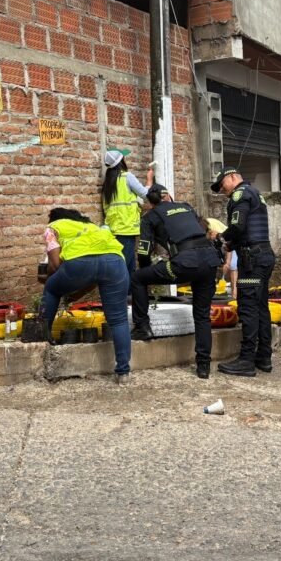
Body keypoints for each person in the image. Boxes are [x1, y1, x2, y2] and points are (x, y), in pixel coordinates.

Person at [131, 184, 223, 379]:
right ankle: (204, 366)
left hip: (184, 264)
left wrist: (148, 270)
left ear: (151, 203)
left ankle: (142, 328)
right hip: (209, 261)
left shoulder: (150, 217)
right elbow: (204, 228)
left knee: (138, 278)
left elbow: (144, 251)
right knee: (202, 315)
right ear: (169, 196)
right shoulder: (187, 207)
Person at [41, 207, 133, 385]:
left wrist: (48, 276)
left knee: (51, 289)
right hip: (115, 262)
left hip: (80, 262)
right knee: (119, 319)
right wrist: (76, 294)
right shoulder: (92, 227)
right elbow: (96, 275)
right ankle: (123, 373)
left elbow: (55, 264)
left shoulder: (53, 227)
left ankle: (43, 336)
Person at [211, 167, 276, 378]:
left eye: (223, 185)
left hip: (252, 261)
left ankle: (247, 360)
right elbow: (245, 230)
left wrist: (220, 239)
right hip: (263, 255)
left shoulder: (240, 194)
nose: (222, 191)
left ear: (232, 177)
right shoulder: (255, 193)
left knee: (248, 308)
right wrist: (230, 246)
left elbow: (237, 227)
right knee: (261, 307)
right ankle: (263, 357)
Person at [101, 148, 154, 277]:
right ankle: (124, 294)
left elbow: (129, 200)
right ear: (121, 161)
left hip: (113, 228)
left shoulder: (108, 182)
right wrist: (149, 181)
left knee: (129, 266)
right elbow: (146, 194)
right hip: (126, 228)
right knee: (125, 266)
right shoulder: (126, 176)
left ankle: (131, 293)